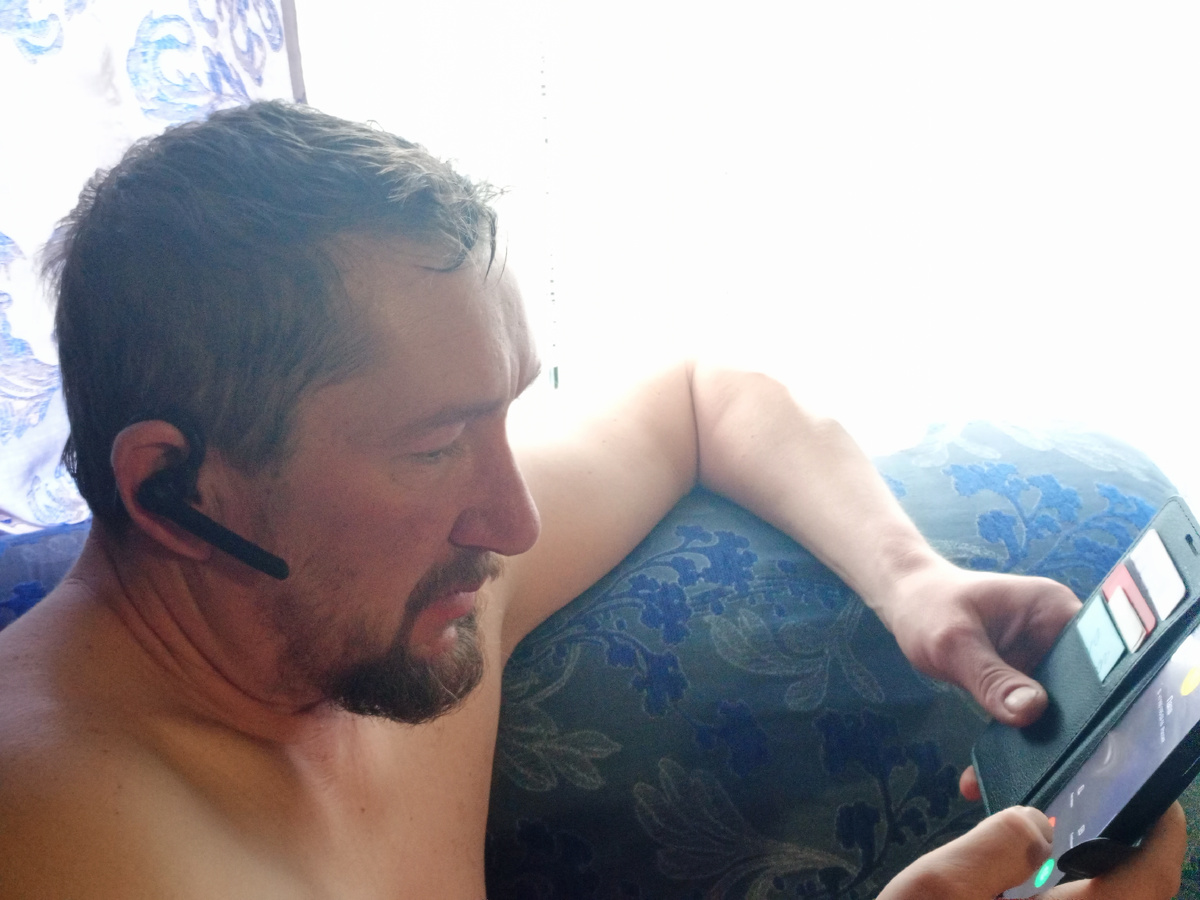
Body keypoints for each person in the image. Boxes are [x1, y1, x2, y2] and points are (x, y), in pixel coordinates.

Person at [0, 101, 1184, 899]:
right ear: (173, 492)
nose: (512, 525)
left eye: (505, 413)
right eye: (434, 448)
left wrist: (913, 581)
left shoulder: (376, 608)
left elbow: (699, 396)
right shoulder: (65, 844)